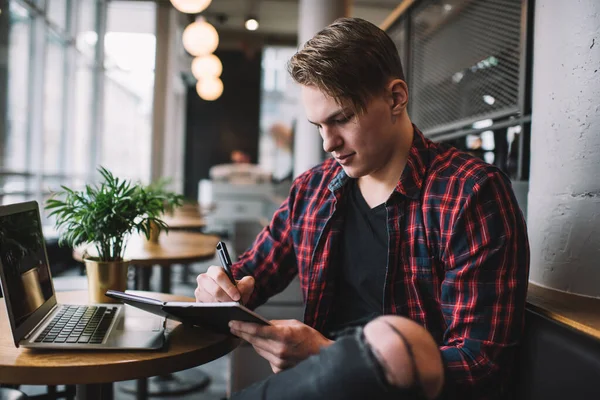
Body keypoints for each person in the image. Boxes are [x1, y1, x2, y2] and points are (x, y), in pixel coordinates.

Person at [195, 17, 529, 399]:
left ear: (396, 98)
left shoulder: (470, 193)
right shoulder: (313, 189)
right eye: (318, 126)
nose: (328, 143)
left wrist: (327, 356)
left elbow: (479, 365)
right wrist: (222, 288)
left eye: (341, 119)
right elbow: (252, 273)